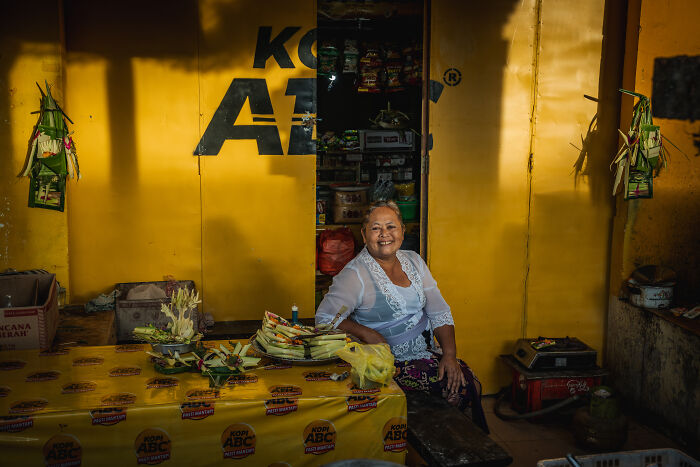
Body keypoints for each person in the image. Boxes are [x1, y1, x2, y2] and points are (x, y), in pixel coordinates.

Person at [315, 200, 488, 432]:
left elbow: (439, 310)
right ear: (364, 235)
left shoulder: (414, 261)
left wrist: (449, 355)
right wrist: (368, 333)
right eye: (376, 228)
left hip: (426, 353)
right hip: (388, 365)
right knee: (455, 392)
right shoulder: (355, 274)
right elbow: (324, 319)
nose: (384, 234)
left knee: (469, 382)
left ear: (402, 231)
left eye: (391, 227)